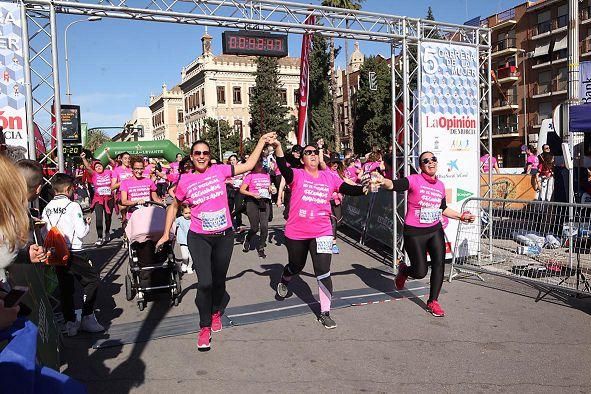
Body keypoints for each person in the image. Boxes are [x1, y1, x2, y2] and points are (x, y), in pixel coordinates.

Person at [156, 132, 276, 351]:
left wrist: (261, 141)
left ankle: (215, 311)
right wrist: (166, 234)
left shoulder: (220, 170)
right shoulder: (185, 180)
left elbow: (249, 164)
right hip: (199, 237)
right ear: (191, 157)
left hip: (223, 236)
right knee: (205, 283)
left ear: (210, 156)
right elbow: (174, 206)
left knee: (219, 280)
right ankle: (204, 328)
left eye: (205, 153)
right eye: (197, 153)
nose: (201, 156)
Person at [273, 139, 366, 329]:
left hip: (322, 230)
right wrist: (278, 147)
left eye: (315, 151)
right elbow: (283, 166)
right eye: (308, 152)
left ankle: (325, 312)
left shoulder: (329, 176)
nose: (313, 154)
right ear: (302, 159)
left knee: (323, 271)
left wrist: (366, 189)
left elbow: (348, 188)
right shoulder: (296, 175)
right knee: (296, 265)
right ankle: (286, 276)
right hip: (297, 232)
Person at [373, 151, 475, 317]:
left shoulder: (441, 185)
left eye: (433, 159)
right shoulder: (414, 180)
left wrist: (461, 217)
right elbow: (393, 185)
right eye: (425, 161)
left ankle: (432, 301)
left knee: (439, 265)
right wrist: (382, 180)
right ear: (421, 166)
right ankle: (405, 271)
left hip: (435, 230)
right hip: (415, 232)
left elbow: (443, 208)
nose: (430, 162)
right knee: (420, 272)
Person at [42, 173, 104, 336]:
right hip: (74, 251)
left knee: (65, 288)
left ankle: (69, 323)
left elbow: (43, 232)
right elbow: (82, 232)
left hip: (56, 253)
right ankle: (87, 317)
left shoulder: (47, 208)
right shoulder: (73, 206)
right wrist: (87, 223)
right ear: (69, 189)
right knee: (93, 281)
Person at [240, 158, 272, 258]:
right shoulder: (250, 175)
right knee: (254, 227)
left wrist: (271, 189)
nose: (260, 164)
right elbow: (242, 190)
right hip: (252, 202)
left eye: (261, 162)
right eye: (257, 162)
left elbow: (269, 187)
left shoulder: (266, 174)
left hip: (264, 201)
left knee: (264, 227)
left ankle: (261, 247)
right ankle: (248, 239)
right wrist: (252, 194)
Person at [81, 153, 114, 246]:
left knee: (108, 218)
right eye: (96, 167)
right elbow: (87, 167)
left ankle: (107, 232)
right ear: (94, 169)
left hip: (109, 199)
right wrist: (83, 158)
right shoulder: (94, 174)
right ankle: (100, 237)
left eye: (100, 166)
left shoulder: (109, 172)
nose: (98, 167)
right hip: (98, 199)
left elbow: (115, 167)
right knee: (99, 218)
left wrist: (109, 157)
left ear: (103, 167)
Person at [111, 151, 133, 225]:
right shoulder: (116, 170)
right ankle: (125, 233)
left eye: (129, 158)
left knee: (133, 216)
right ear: (121, 159)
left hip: (132, 195)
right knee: (125, 217)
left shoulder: (132, 170)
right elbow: (112, 187)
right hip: (121, 195)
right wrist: (123, 182)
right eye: (125, 158)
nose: (127, 160)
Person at [225, 154, 245, 232]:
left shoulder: (241, 169)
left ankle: (239, 225)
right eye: (231, 160)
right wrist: (230, 182)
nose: (232, 161)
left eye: (234, 160)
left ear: (237, 160)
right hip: (230, 190)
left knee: (238, 208)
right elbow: (226, 180)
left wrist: (236, 182)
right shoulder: (228, 169)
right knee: (229, 208)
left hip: (239, 190)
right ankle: (229, 225)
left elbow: (244, 179)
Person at [174, 203, 193, 274]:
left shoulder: (193, 219)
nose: (188, 215)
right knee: (185, 256)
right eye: (186, 213)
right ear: (182, 213)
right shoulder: (180, 219)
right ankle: (184, 263)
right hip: (183, 240)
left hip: (193, 241)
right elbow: (174, 225)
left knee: (191, 257)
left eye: (190, 213)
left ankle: (189, 266)